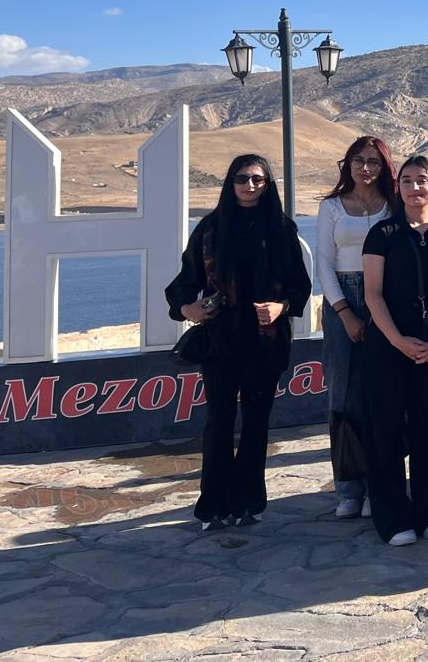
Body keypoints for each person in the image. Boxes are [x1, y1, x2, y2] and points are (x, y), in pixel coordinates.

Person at [166, 155, 311, 531]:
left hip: (265, 344)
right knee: (219, 421)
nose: (250, 186)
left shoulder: (281, 229)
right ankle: (213, 504)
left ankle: (249, 501)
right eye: (242, 179)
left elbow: (300, 285)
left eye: (258, 180)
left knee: (257, 423)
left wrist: (281, 307)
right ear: (230, 183)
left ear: (269, 185)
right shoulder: (210, 229)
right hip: (220, 342)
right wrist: (188, 308)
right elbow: (186, 280)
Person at [361, 156, 428, 546]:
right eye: (407, 181)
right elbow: (372, 294)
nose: (414, 187)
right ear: (398, 188)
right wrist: (398, 341)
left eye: (423, 180)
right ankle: (392, 518)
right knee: (385, 431)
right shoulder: (383, 234)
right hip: (389, 345)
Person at [316, 136, 396, 519]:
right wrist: (345, 312)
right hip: (342, 298)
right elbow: (324, 266)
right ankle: (349, 488)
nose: (365, 168)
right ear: (346, 164)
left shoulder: (393, 205)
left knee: (382, 393)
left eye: (373, 162)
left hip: (386, 296)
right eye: (358, 160)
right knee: (344, 395)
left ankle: (381, 483)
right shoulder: (331, 207)